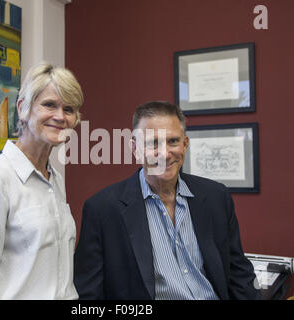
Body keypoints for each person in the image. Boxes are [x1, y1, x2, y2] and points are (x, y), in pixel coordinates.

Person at [74, 101, 260, 300]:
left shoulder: (216, 197)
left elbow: (240, 275)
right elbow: (89, 295)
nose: (164, 153)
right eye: (153, 143)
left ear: (185, 144)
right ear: (135, 148)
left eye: (172, 141)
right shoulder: (102, 210)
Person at [0, 63, 83, 299]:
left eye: (68, 109)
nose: (60, 116)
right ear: (23, 108)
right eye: (49, 105)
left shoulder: (55, 179)